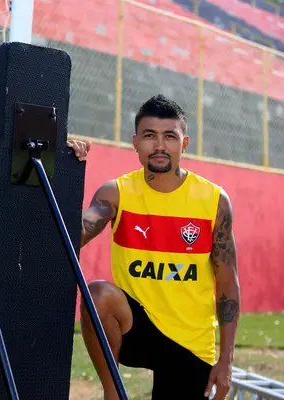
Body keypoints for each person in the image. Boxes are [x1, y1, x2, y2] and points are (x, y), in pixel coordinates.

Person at [67, 95, 240, 400]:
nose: (159, 145)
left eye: (169, 136)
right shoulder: (116, 193)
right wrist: (65, 168)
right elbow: (73, 233)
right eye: (150, 136)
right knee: (98, 295)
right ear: (135, 142)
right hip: (137, 328)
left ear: (184, 143)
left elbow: (227, 286)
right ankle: (113, 393)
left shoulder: (214, 201)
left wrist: (225, 361)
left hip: (190, 342)